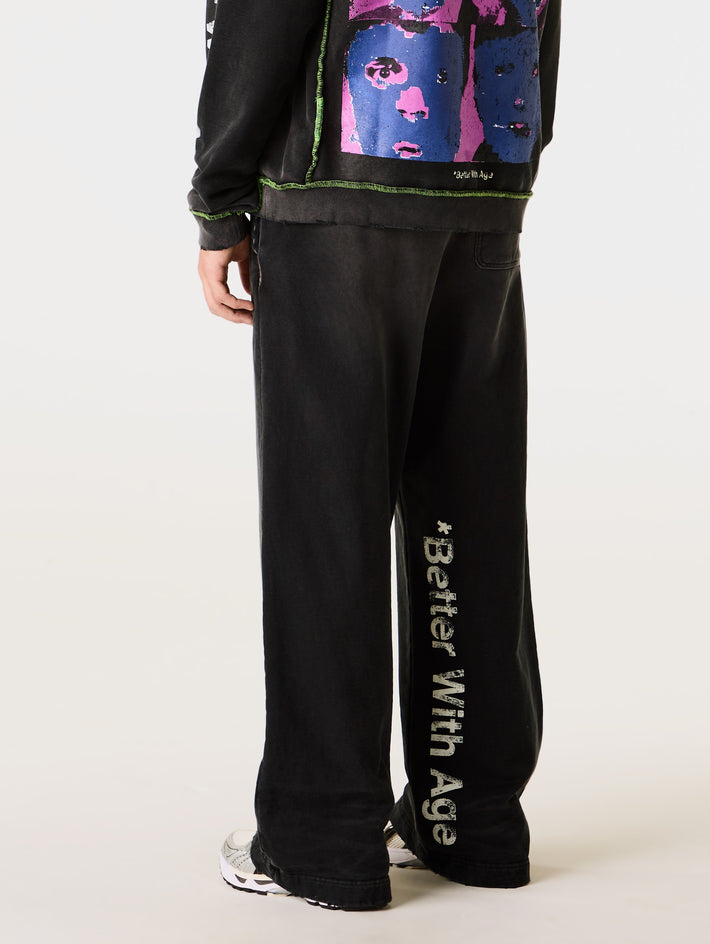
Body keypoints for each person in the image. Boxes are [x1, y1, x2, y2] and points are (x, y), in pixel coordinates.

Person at [188, 0, 561, 912]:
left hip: (338, 194)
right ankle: (467, 818)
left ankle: (321, 837)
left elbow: (258, 18)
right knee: (469, 505)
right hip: (483, 184)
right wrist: (507, 170)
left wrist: (220, 196)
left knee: (328, 519)